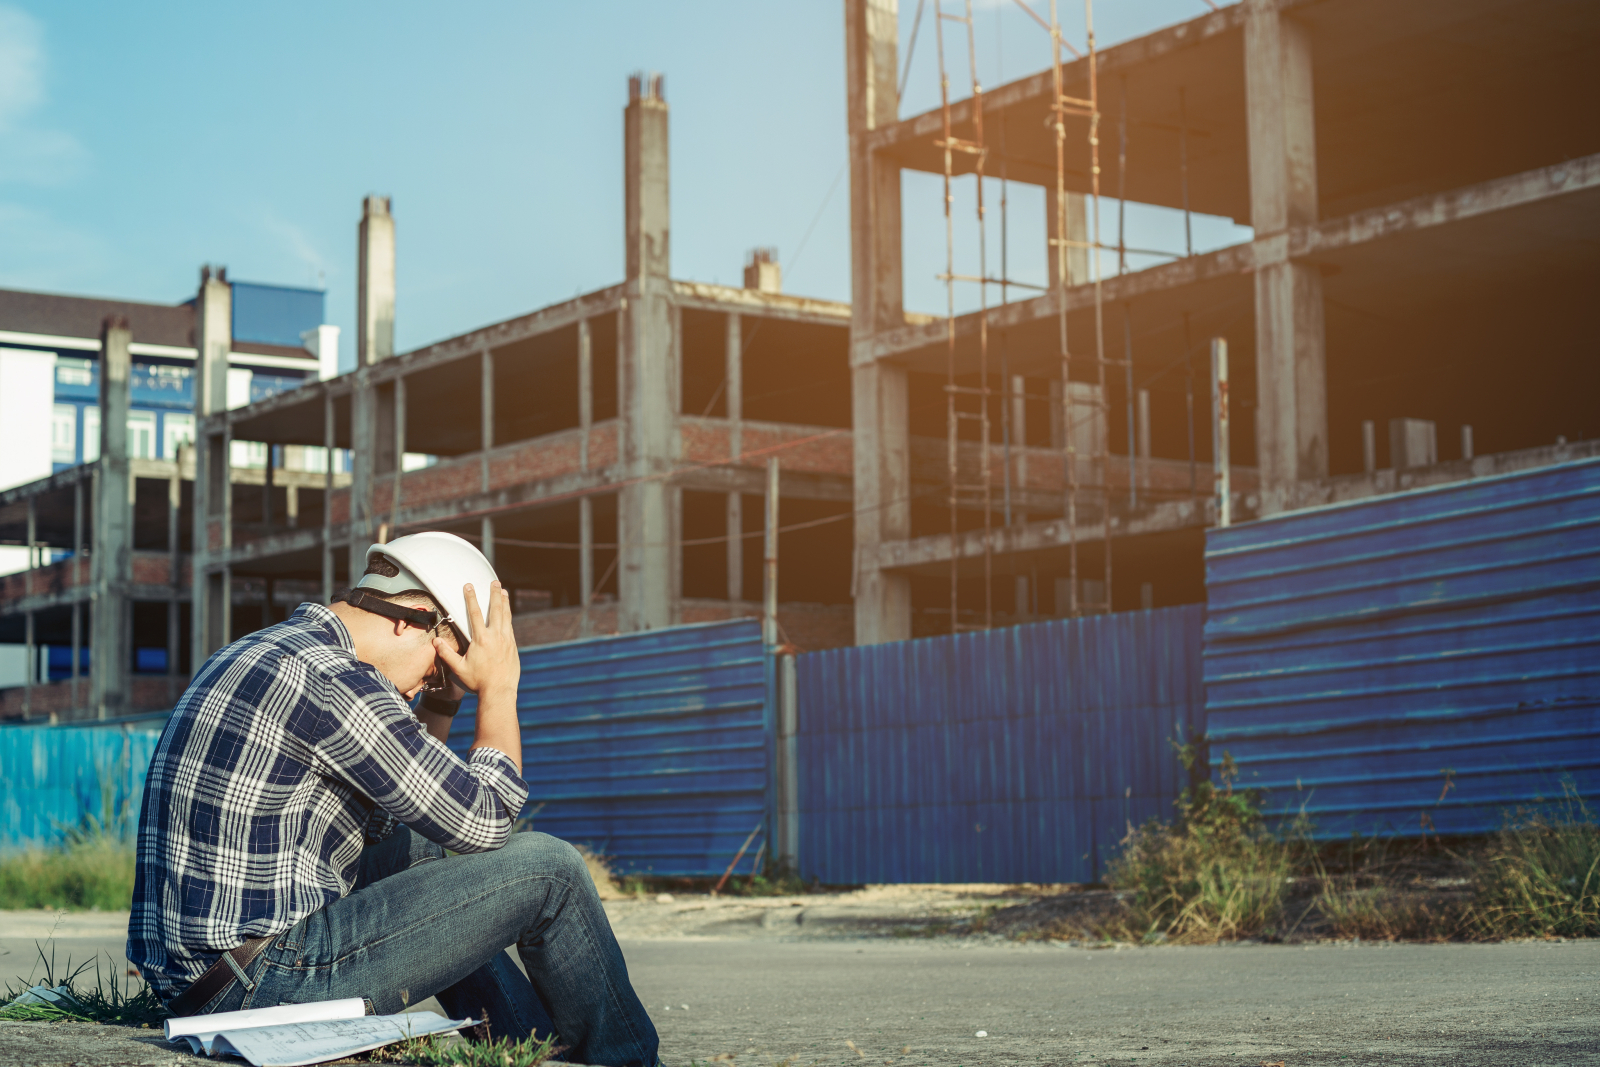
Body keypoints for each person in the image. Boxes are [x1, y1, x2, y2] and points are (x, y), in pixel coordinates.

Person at [128, 531, 658, 1067]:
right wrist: (499, 690)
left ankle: (525, 1051)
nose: (423, 686)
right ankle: (632, 1063)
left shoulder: (269, 650)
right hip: (259, 984)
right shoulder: (338, 680)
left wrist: (444, 706)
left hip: (202, 980)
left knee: (412, 854)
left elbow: (394, 816)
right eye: (436, 668)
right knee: (551, 870)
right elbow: (484, 819)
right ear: (413, 618)